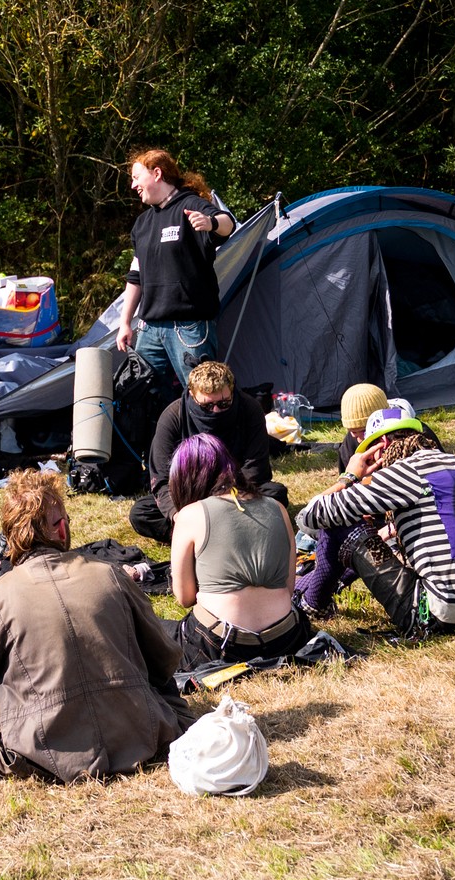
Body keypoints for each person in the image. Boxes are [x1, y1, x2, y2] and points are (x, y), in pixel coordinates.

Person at [0, 470, 193, 783]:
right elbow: (165, 660)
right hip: (139, 731)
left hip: (45, 749)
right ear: (60, 528)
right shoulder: (111, 575)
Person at [296, 405, 455, 638]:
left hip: (434, 615)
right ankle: (310, 590)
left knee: (339, 521)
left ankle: (313, 603)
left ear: (383, 444)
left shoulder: (406, 472)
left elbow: (310, 516)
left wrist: (350, 476)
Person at [168, 434, 313, 668]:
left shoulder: (189, 515)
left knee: (154, 629)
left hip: (219, 644)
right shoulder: (277, 508)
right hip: (286, 638)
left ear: (185, 478)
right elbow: (287, 587)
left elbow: (184, 598)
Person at [116, 150, 236, 393]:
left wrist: (210, 222)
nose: (133, 185)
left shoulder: (190, 204)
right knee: (142, 396)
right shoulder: (142, 224)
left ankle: (206, 434)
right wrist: (125, 322)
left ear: (157, 173)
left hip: (189, 327)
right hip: (149, 329)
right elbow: (135, 276)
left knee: (203, 396)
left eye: (136, 177)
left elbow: (228, 223)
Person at [129, 360, 287, 544]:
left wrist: (226, 501)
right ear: (192, 395)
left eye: (224, 403)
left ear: (233, 391)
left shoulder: (250, 409)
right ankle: (223, 532)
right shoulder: (173, 416)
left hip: (236, 493)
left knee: (276, 496)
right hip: (190, 496)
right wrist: (178, 515)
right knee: (142, 513)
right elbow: (161, 480)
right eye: (207, 406)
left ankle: (203, 534)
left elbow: (255, 470)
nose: (216, 411)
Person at [335, 385, 442, 473]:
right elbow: (347, 489)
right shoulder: (350, 445)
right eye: (352, 431)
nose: (359, 439)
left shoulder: (417, 436)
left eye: (364, 431)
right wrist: (363, 480)